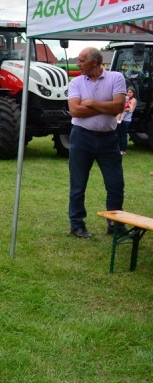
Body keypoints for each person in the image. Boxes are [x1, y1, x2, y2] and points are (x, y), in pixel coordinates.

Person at [67, 47, 126, 239]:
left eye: (81, 60)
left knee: (115, 184)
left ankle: (115, 223)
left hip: (108, 139)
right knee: (78, 184)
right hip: (81, 137)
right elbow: (75, 111)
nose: (78, 64)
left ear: (94, 62)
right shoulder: (76, 82)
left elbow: (118, 107)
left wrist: (91, 102)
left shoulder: (116, 78)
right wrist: (105, 106)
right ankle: (77, 225)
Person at [117, 86, 136, 155]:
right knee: (118, 134)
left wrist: (121, 109)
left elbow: (130, 109)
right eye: (127, 92)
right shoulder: (126, 99)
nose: (128, 93)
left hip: (126, 120)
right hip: (120, 119)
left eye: (130, 92)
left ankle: (123, 150)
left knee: (123, 135)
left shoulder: (133, 100)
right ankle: (119, 149)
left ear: (133, 93)